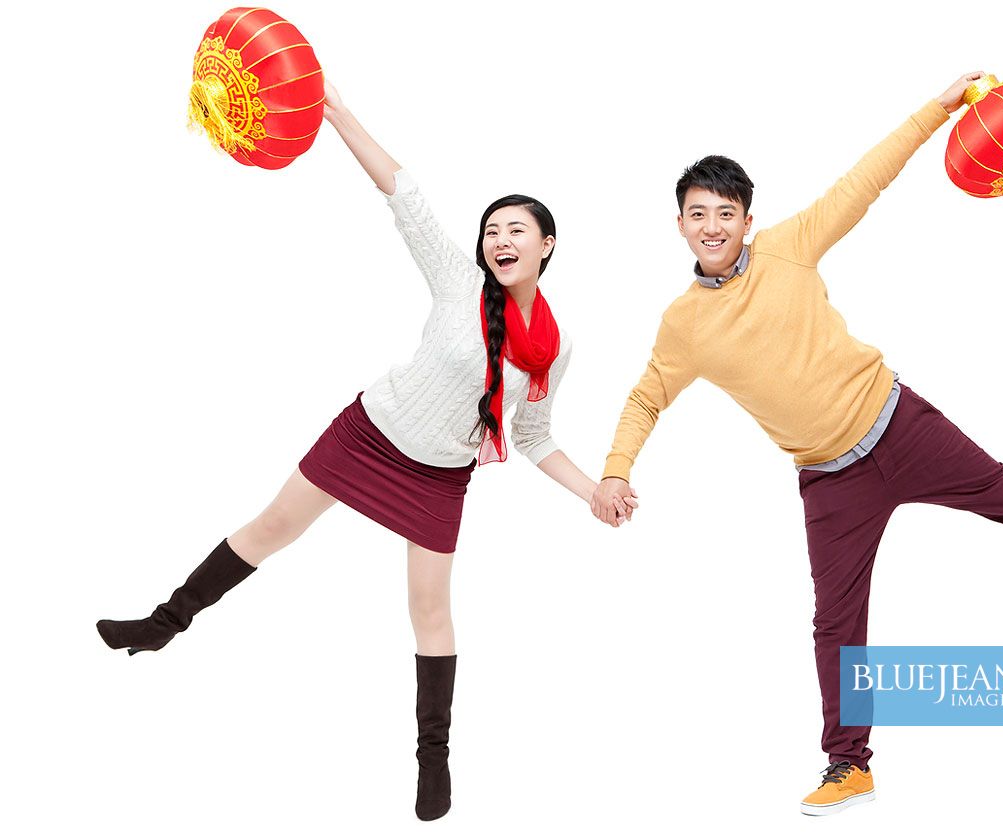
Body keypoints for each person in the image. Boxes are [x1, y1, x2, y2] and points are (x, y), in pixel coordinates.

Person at [589, 71, 1003, 816]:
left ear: (749, 220)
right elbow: (646, 395)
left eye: (726, 212)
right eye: (697, 214)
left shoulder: (789, 247)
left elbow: (863, 181)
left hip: (900, 425)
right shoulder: (681, 325)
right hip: (828, 480)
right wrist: (615, 471)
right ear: (680, 226)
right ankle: (848, 765)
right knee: (835, 621)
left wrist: (935, 109)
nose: (712, 225)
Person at [96, 81, 634, 822]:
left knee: (428, 609)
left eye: (517, 231)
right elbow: (404, 195)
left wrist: (595, 491)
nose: (500, 241)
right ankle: (162, 624)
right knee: (269, 531)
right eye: (492, 231)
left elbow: (535, 436)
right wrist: (338, 114)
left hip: (440, 476)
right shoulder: (457, 283)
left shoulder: (555, 347)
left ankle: (433, 759)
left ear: (547, 246)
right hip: (368, 433)